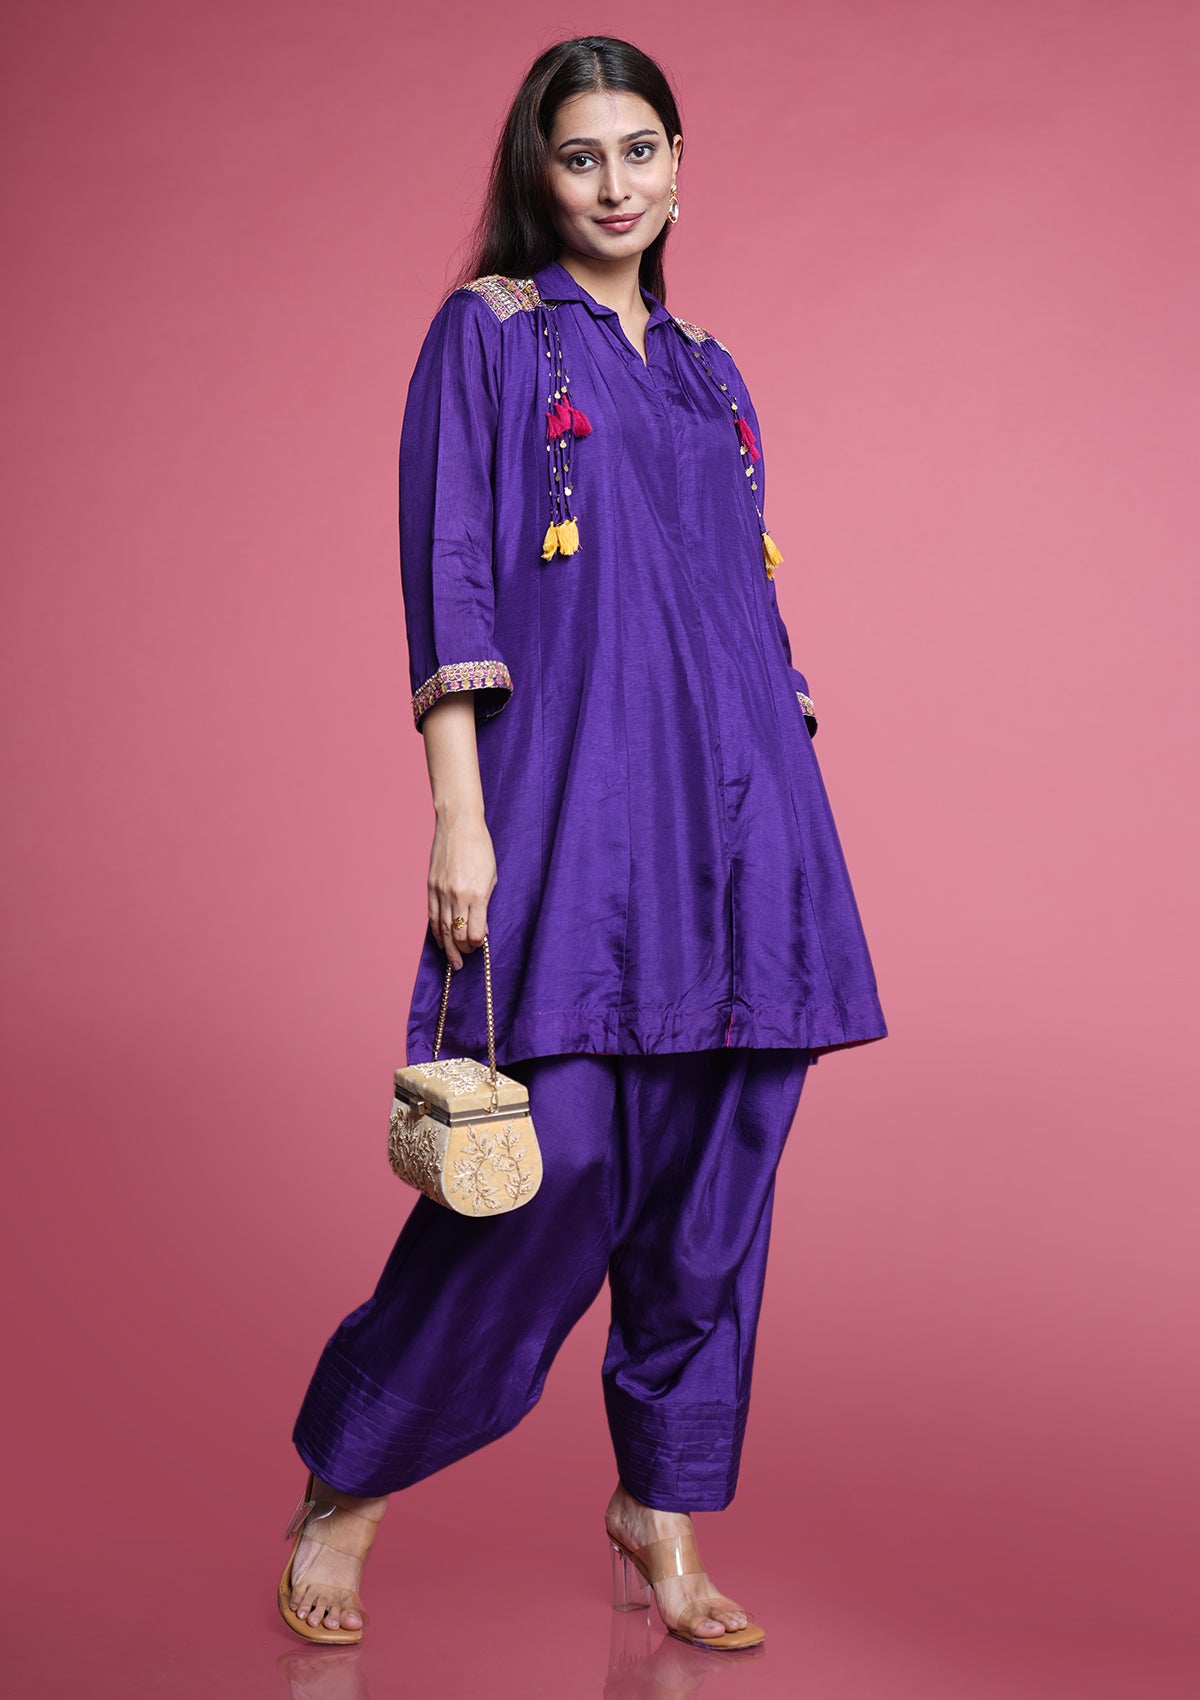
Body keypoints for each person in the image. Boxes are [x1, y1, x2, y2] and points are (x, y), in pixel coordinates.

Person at [279, 34, 886, 1652]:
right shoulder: (488, 339)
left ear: (681, 166)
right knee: (555, 1171)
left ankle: (659, 1512)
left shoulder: (710, 369)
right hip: (576, 818)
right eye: (581, 155)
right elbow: (452, 581)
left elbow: (746, 596)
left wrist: (783, 770)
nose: (615, 184)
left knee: (715, 1199)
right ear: (537, 174)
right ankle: (351, 1480)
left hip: (749, 830)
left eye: (640, 151)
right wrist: (458, 819)